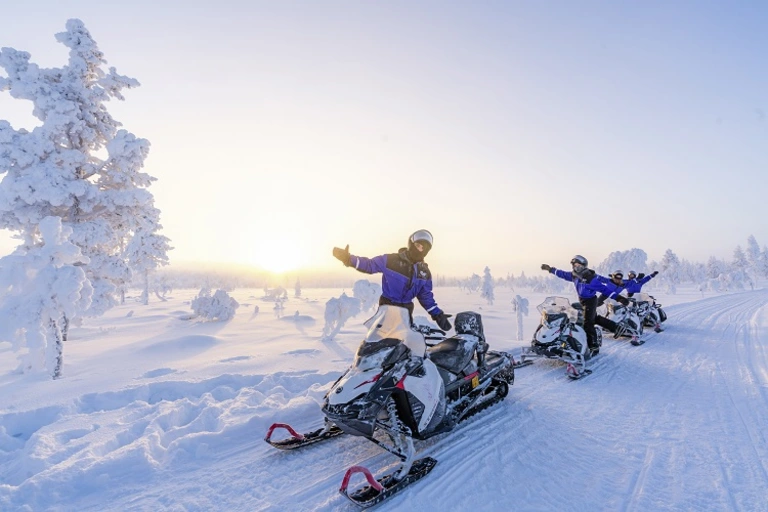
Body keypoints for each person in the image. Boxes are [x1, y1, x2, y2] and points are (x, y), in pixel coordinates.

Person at [332, 229, 452, 333]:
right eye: (418, 245)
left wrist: (437, 315)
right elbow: (369, 265)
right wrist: (348, 259)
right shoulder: (391, 260)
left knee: (405, 345)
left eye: (424, 248)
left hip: (406, 311)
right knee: (379, 342)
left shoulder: (424, 272)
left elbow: (426, 296)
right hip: (387, 307)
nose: (421, 250)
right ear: (411, 244)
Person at [541, 256, 629, 353]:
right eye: (574, 265)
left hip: (591, 301)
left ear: (583, 266)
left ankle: (593, 346)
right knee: (594, 318)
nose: (576, 267)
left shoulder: (591, 279)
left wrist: (619, 298)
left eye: (578, 265)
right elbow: (563, 274)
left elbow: (605, 290)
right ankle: (616, 327)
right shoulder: (574, 275)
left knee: (588, 323)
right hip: (582, 300)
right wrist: (550, 269)